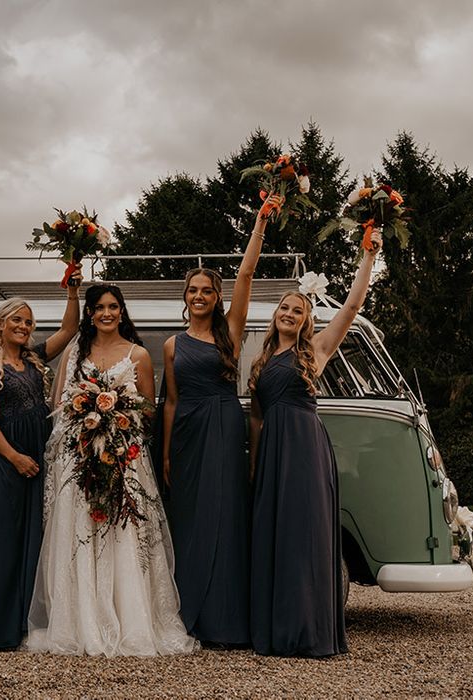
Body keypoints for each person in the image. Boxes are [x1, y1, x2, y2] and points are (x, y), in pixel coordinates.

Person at [27, 284, 196, 656]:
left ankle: (131, 618)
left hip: (124, 455)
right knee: (80, 531)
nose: (106, 313)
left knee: (123, 530)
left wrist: (116, 423)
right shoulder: (75, 353)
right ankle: (79, 620)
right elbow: (60, 403)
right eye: (99, 307)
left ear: (122, 311)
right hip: (79, 453)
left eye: (113, 307)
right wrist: (85, 422)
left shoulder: (137, 355)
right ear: (89, 313)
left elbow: (148, 410)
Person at [248, 231, 382, 657]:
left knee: (305, 535)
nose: (289, 313)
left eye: (298, 310)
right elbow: (256, 416)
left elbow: (353, 306)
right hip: (272, 452)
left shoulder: (317, 350)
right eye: (284, 308)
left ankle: (307, 630)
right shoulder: (262, 360)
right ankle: (276, 628)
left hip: (305, 449)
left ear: (307, 320)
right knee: (276, 535)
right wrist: (255, 462)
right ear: (275, 316)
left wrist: (367, 255)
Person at [161, 196, 279, 645]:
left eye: (207, 291)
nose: (199, 296)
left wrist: (260, 223)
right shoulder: (172, 345)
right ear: (185, 297)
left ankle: (227, 618)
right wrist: (168, 452)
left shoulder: (229, 332)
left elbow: (246, 273)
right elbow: (171, 402)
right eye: (192, 291)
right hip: (187, 432)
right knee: (189, 519)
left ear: (216, 297)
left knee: (227, 514)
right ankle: (189, 610)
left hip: (225, 425)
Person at [0, 270, 80, 652]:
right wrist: (14, 457)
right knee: (2, 539)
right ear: (1, 323)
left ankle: (25, 623)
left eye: (28, 321)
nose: (23, 325)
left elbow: (69, 329)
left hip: (40, 458)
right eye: (16, 319)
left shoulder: (35, 359)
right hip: (9, 458)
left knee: (36, 538)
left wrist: (73, 288)